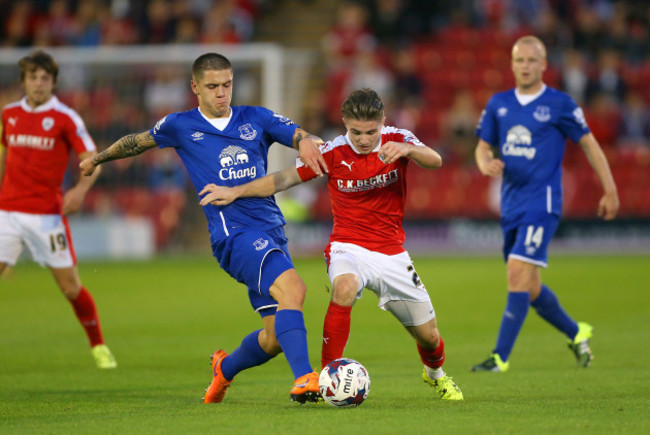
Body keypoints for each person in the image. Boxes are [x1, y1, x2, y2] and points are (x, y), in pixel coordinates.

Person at [79, 53, 327, 404]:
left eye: (227, 85)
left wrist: (304, 139)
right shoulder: (179, 125)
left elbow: (298, 133)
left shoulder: (254, 117)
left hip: (271, 230)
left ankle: (224, 370)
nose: (221, 93)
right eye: (212, 87)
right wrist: (97, 158)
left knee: (273, 339)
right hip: (234, 234)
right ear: (195, 87)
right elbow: (137, 141)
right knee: (294, 290)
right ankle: (305, 379)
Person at [200, 88, 464, 401]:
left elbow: (435, 160)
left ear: (382, 122)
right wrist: (236, 191)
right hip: (347, 246)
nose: (364, 140)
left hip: (392, 252)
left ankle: (435, 375)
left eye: (371, 132)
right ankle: (327, 380)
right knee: (345, 287)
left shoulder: (399, 138)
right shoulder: (333, 152)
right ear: (344, 124)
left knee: (429, 337)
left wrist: (408, 151)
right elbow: (283, 179)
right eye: (355, 132)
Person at [472, 35, 619, 372]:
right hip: (511, 205)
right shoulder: (498, 104)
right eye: (520, 60)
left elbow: (590, 145)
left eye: (532, 60)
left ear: (543, 65)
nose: (525, 66)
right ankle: (576, 331)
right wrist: (484, 163)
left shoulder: (560, 104)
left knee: (516, 272)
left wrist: (610, 190)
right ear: (512, 64)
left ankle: (499, 358)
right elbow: (482, 147)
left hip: (544, 202)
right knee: (530, 286)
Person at [0, 50, 116, 369]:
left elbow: (94, 159)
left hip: (46, 218)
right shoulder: (8, 114)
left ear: (53, 83)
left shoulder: (66, 118)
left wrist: (80, 190)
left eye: (45, 78)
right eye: (33, 77)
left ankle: (98, 345)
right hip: (6, 212)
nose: (39, 84)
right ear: (23, 81)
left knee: (70, 287)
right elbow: (4, 155)